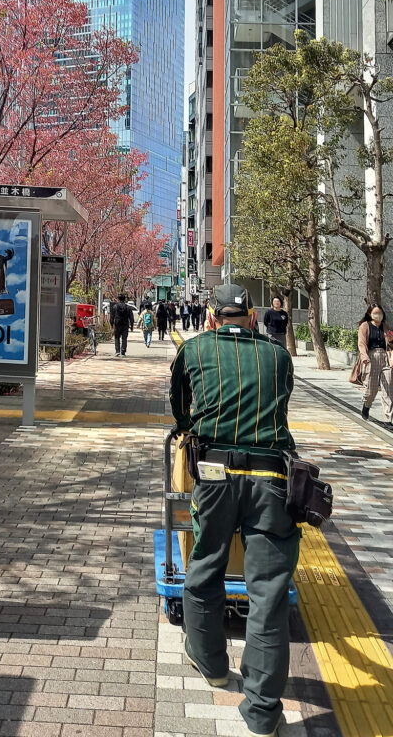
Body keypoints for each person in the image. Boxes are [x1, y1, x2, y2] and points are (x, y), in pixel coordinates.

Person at [170, 283, 300, 737]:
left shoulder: (194, 350)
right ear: (250, 317)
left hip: (214, 475)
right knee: (268, 591)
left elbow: (180, 410)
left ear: (211, 317)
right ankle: (263, 712)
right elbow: (280, 404)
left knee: (206, 566)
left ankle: (212, 665)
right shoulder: (278, 357)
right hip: (271, 481)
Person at [357, 304, 393, 427]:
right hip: (371, 358)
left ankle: (388, 418)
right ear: (370, 314)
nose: (379, 315)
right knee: (371, 389)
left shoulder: (386, 327)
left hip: (385, 358)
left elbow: (391, 342)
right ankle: (367, 405)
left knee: (388, 388)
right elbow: (361, 343)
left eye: (380, 313)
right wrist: (364, 357)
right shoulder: (365, 326)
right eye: (376, 313)